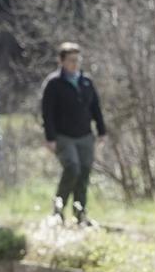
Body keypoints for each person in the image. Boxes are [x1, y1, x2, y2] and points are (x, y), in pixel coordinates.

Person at [42, 42, 107, 227]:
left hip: (85, 135)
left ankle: (80, 214)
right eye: (71, 60)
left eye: (77, 60)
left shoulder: (86, 81)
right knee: (72, 168)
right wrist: (50, 138)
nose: (75, 63)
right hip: (63, 136)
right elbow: (47, 112)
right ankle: (58, 210)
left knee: (84, 172)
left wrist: (102, 131)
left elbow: (96, 107)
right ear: (61, 61)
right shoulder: (53, 83)